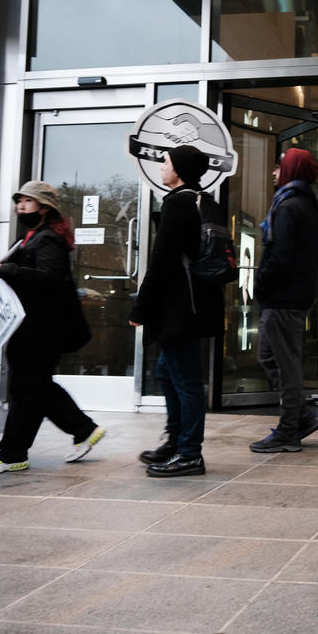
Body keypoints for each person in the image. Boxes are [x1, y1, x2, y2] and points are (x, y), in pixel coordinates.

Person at [0, 181, 105, 474]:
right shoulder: (31, 237)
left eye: (27, 201)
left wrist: (5, 269)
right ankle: (83, 429)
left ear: (44, 207)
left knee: (28, 390)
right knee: (36, 387)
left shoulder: (48, 239)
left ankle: (12, 454)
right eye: (19, 201)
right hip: (33, 327)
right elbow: (20, 280)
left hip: (41, 329)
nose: (21, 207)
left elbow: (48, 279)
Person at [130, 145, 223, 477]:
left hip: (181, 307)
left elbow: (162, 261)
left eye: (166, 162)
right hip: (195, 303)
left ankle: (189, 453)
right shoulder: (202, 200)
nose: (161, 167)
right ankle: (175, 442)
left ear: (180, 168)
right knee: (168, 372)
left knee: (184, 379)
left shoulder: (178, 203)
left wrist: (141, 307)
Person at [248, 148, 318, 453]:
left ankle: (288, 431)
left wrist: (261, 285)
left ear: (290, 170)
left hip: (282, 298)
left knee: (285, 366)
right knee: (270, 357)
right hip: (291, 296)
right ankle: (301, 418)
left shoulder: (289, 207)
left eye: (279, 166)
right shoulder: (305, 203)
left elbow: (280, 256)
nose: (273, 172)